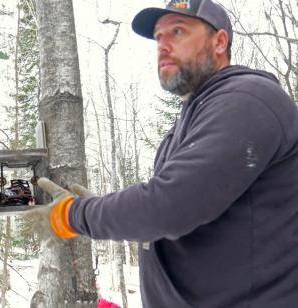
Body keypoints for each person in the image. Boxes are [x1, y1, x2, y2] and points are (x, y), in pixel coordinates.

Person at [29, 0, 298, 307]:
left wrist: (72, 215)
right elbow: (182, 220)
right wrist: (108, 211)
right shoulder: (201, 110)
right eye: (159, 37)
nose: (163, 46)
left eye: (178, 32)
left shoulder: (247, 101)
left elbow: (169, 207)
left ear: (220, 41)